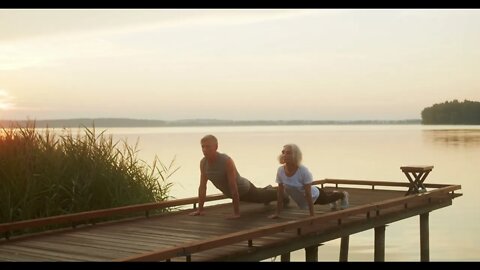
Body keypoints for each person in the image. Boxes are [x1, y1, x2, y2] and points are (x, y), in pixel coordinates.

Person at [189, 134, 287, 219]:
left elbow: (233, 186)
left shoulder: (226, 161)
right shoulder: (203, 163)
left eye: (208, 147)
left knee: (262, 198)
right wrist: (200, 210)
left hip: (245, 190)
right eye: (203, 147)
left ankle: (283, 195)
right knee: (262, 195)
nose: (205, 150)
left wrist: (236, 213)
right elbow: (202, 187)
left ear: (216, 147)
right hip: (233, 194)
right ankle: (267, 189)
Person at [268, 143, 349, 219]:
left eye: (288, 153)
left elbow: (308, 193)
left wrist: (312, 215)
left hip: (315, 195)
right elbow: (280, 193)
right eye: (283, 152)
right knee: (329, 196)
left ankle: (343, 195)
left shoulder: (303, 171)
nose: (284, 155)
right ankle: (334, 194)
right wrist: (277, 213)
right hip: (305, 198)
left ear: (295, 155)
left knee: (327, 199)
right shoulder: (280, 171)